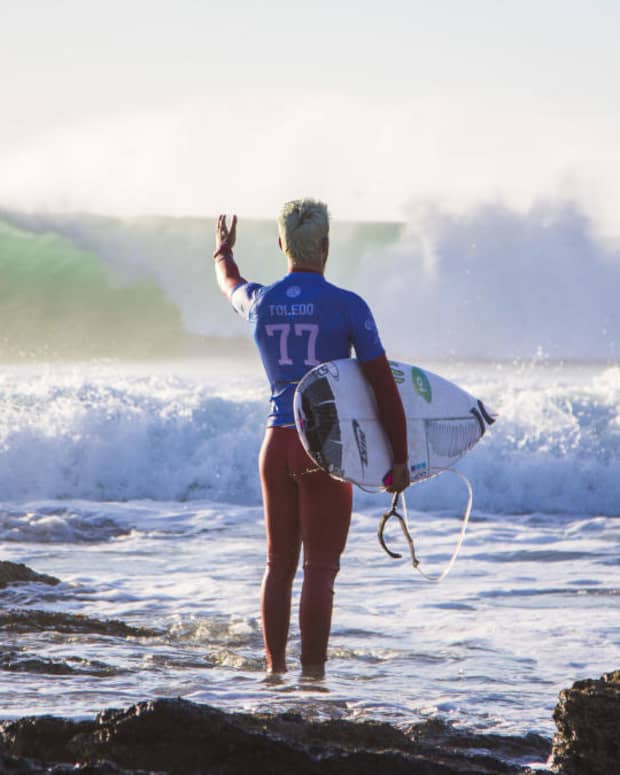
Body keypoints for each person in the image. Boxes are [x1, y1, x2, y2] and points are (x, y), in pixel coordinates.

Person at [213, 199, 409, 678]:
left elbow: (230, 285)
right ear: (325, 245)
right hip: (323, 447)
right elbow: (383, 388)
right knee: (320, 569)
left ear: (282, 244)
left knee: (278, 564)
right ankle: (314, 680)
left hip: (275, 443)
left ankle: (274, 673)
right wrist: (399, 459)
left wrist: (222, 252)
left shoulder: (261, 301)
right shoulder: (348, 306)